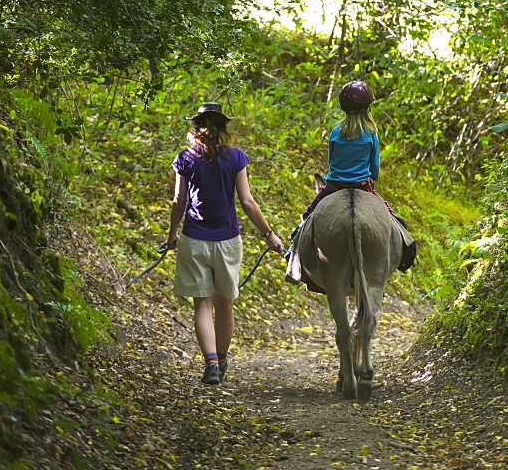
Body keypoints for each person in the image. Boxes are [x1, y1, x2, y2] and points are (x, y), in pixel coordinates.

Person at [165, 102, 284, 385]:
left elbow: (178, 201)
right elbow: (247, 201)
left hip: (194, 240)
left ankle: (212, 365)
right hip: (228, 241)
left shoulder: (185, 159)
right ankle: (222, 358)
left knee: (202, 306)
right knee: (224, 306)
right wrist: (269, 235)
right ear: (223, 128)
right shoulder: (236, 157)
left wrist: (172, 234)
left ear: (196, 128)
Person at [288, 81, 416, 277]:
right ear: (367, 109)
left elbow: (332, 161)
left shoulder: (336, 132)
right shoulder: (371, 135)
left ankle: (293, 258)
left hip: (334, 185)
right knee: (396, 221)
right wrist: (369, 176)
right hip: (363, 186)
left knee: (307, 219)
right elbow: (374, 169)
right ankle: (404, 257)